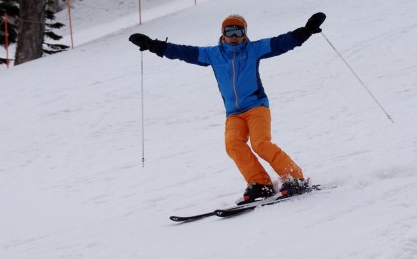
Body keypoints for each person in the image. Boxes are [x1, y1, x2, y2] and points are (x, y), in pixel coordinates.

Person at [129, 12, 327, 203]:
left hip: (257, 106)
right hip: (233, 113)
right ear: (222, 33)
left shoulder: (254, 49)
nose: (234, 37)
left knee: (261, 144)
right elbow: (183, 52)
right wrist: (153, 45)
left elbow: (282, 43)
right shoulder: (212, 54)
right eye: (229, 32)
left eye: (239, 32)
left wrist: (306, 31)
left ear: (245, 34)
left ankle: (295, 177)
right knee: (233, 145)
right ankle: (260, 183)